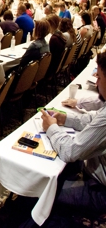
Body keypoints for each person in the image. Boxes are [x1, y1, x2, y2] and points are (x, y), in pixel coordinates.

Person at [40, 51, 106, 222]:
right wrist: (65, 118)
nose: (97, 82)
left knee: (41, 191)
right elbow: (93, 119)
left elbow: (70, 151)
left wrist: (51, 128)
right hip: (96, 175)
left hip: (101, 192)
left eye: (99, 77)